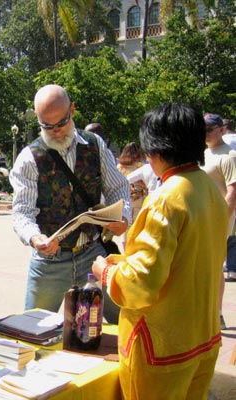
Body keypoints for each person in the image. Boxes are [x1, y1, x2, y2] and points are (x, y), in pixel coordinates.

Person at [92, 103, 226, 400]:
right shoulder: (209, 189)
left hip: (163, 347)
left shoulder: (167, 198)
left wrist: (107, 272)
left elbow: (141, 284)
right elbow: (186, 259)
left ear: (156, 150)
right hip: (203, 337)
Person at [9, 84, 131, 324]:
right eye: (47, 126)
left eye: (61, 123)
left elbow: (118, 188)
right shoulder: (29, 158)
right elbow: (22, 212)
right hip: (49, 263)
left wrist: (124, 217)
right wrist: (35, 238)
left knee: (126, 321)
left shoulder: (94, 145)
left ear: (72, 110)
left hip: (93, 254)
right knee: (31, 328)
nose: (55, 132)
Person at [201, 113, 236, 330]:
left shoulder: (229, 155)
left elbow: (233, 191)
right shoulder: (204, 153)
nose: (205, 133)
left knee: (213, 266)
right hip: (202, 216)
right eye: (202, 130)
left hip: (218, 218)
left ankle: (217, 314)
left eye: (209, 129)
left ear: (221, 130)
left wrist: (222, 218)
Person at [116, 142, 148, 224]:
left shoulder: (120, 166)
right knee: (135, 223)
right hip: (138, 199)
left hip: (123, 197)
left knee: (124, 222)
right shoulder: (141, 166)